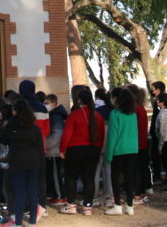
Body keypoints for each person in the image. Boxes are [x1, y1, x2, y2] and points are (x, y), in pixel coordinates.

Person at [0, 99, 44, 227]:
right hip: (34, 161)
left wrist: (12, 121)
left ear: (15, 111)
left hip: (18, 161)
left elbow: (3, 139)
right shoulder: (35, 129)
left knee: (18, 193)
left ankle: (18, 225)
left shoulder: (13, 128)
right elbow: (40, 148)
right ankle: (32, 224)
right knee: (32, 193)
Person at [59, 87, 104, 215]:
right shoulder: (98, 116)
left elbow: (67, 134)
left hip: (75, 149)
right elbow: (101, 135)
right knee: (89, 178)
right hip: (93, 149)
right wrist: (98, 149)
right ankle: (87, 207)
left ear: (79, 100)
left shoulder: (74, 115)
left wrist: (63, 149)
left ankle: (71, 204)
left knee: (71, 176)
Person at [105, 87, 140, 216]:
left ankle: (117, 205)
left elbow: (112, 136)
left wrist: (109, 155)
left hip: (118, 150)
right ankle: (130, 206)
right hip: (132, 149)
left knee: (115, 178)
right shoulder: (133, 114)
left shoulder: (114, 114)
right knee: (129, 177)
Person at [18, 80, 50, 215]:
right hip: (40, 148)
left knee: (23, 180)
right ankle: (42, 206)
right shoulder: (43, 107)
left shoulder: (20, 107)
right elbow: (48, 129)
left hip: (23, 149)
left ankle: (27, 207)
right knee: (40, 180)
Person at [126, 83, 151, 203]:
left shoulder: (134, 108)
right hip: (142, 142)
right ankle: (141, 191)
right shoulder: (140, 107)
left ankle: (137, 194)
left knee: (135, 169)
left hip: (135, 143)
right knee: (140, 168)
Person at [44, 94, 68, 205]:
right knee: (53, 174)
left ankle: (60, 196)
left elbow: (56, 134)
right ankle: (56, 195)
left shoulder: (56, 116)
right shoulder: (54, 115)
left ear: (54, 103)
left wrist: (45, 145)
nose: (45, 106)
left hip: (54, 151)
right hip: (53, 150)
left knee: (55, 174)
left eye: (47, 103)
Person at [149, 81, 167, 185]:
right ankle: (158, 175)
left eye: (153, 89)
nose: (152, 91)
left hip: (159, 133)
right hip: (156, 132)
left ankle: (158, 176)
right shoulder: (158, 100)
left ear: (158, 90)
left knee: (158, 155)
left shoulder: (161, 101)